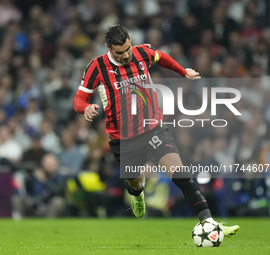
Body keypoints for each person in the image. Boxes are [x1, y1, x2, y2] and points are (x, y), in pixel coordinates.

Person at [73, 24, 239, 236]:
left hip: (154, 129)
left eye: (127, 49)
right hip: (124, 138)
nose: (125, 55)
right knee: (135, 181)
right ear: (108, 48)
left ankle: (209, 223)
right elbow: (79, 98)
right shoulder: (97, 67)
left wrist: (182, 71)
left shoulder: (142, 52)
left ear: (130, 40)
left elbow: (161, 57)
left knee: (181, 175)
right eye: (119, 52)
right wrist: (85, 108)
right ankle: (137, 193)